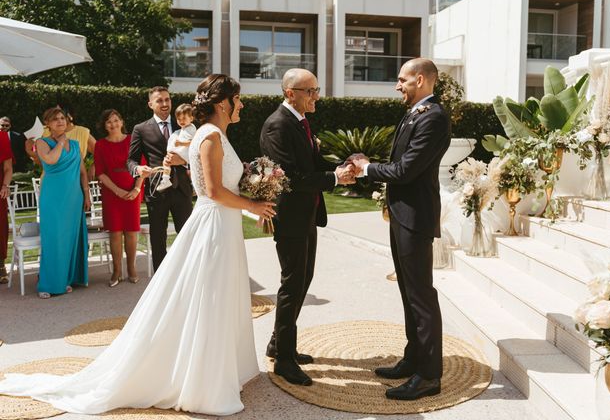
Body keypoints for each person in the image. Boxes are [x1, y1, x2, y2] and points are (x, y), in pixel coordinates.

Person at [0, 74, 276, 416]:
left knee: (222, 294)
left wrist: (256, 184)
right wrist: (253, 205)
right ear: (224, 103)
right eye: (239, 99)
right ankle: (203, 379)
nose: (243, 104)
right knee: (210, 296)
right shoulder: (209, 137)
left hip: (224, 224)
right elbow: (214, 191)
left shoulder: (214, 134)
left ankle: (223, 367)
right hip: (213, 226)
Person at [348, 58, 452, 401]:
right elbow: (401, 164)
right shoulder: (417, 112)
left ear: (420, 80)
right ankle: (413, 358)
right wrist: (371, 165)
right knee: (409, 292)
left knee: (421, 296)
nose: (397, 86)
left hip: (415, 217)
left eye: (402, 80)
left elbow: (406, 170)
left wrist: (366, 168)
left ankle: (428, 376)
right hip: (403, 214)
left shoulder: (433, 117)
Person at [259, 68, 355, 386]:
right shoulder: (277, 125)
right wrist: (334, 179)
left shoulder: (300, 122)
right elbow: (289, 178)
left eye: (316, 89)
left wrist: (342, 166)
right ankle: (284, 359)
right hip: (289, 218)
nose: (316, 96)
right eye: (310, 90)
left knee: (302, 281)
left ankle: (279, 343)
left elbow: (310, 166)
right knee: (291, 285)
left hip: (307, 216)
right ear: (291, 93)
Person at [127, 87, 193, 272]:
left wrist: (184, 160)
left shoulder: (184, 123)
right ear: (150, 104)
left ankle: (189, 275)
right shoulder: (140, 129)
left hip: (182, 189)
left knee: (188, 236)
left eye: (167, 99)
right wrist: (138, 168)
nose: (165, 104)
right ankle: (160, 282)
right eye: (159, 101)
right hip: (157, 190)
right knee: (158, 239)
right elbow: (130, 160)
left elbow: (196, 150)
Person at [35, 107, 90, 299]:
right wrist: (62, 141)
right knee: (54, 239)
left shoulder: (75, 144)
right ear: (48, 124)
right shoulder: (41, 142)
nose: (60, 122)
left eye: (62, 119)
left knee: (70, 238)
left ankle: (66, 279)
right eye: (55, 119)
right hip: (53, 198)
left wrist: (87, 194)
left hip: (74, 198)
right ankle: (48, 284)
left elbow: (83, 172)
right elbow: (50, 160)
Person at [94, 109, 144, 287]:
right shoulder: (100, 145)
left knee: (131, 232)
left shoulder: (133, 140)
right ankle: (117, 270)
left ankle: (131, 268)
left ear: (122, 122)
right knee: (115, 232)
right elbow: (100, 173)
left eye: (116, 120)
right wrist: (117, 191)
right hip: (111, 194)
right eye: (109, 122)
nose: (113, 124)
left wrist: (137, 189)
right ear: (104, 125)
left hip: (133, 193)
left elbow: (141, 168)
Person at [157, 103, 196, 192]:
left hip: (185, 154)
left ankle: (193, 185)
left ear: (191, 118)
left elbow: (193, 142)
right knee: (166, 162)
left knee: (190, 171)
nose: (181, 121)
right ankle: (166, 179)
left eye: (184, 118)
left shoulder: (191, 128)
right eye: (179, 119)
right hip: (179, 153)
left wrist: (181, 143)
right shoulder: (182, 129)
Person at [0, 130, 13, 284]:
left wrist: (5, 185)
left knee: (0, 227)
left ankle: (0, 265)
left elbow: (8, 167)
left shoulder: (2, 136)